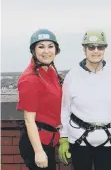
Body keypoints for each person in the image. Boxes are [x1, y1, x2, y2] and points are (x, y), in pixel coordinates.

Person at [57, 31, 111, 170]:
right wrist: (63, 138)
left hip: (108, 140)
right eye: (91, 47)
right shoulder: (72, 76)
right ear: (84, 49)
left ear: (105, 49)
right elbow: (65, 110)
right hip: (79, 140)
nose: (96, 51)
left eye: (100, 47)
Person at [17, 29, 63, 170]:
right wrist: (39, 152)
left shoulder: (49, 71)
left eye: (50, 46)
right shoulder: (30, 79)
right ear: (33, 50)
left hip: (48, 139)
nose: (46, 51)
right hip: (36, 143)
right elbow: (29, 119)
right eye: (41, 46)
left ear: (56, 49)